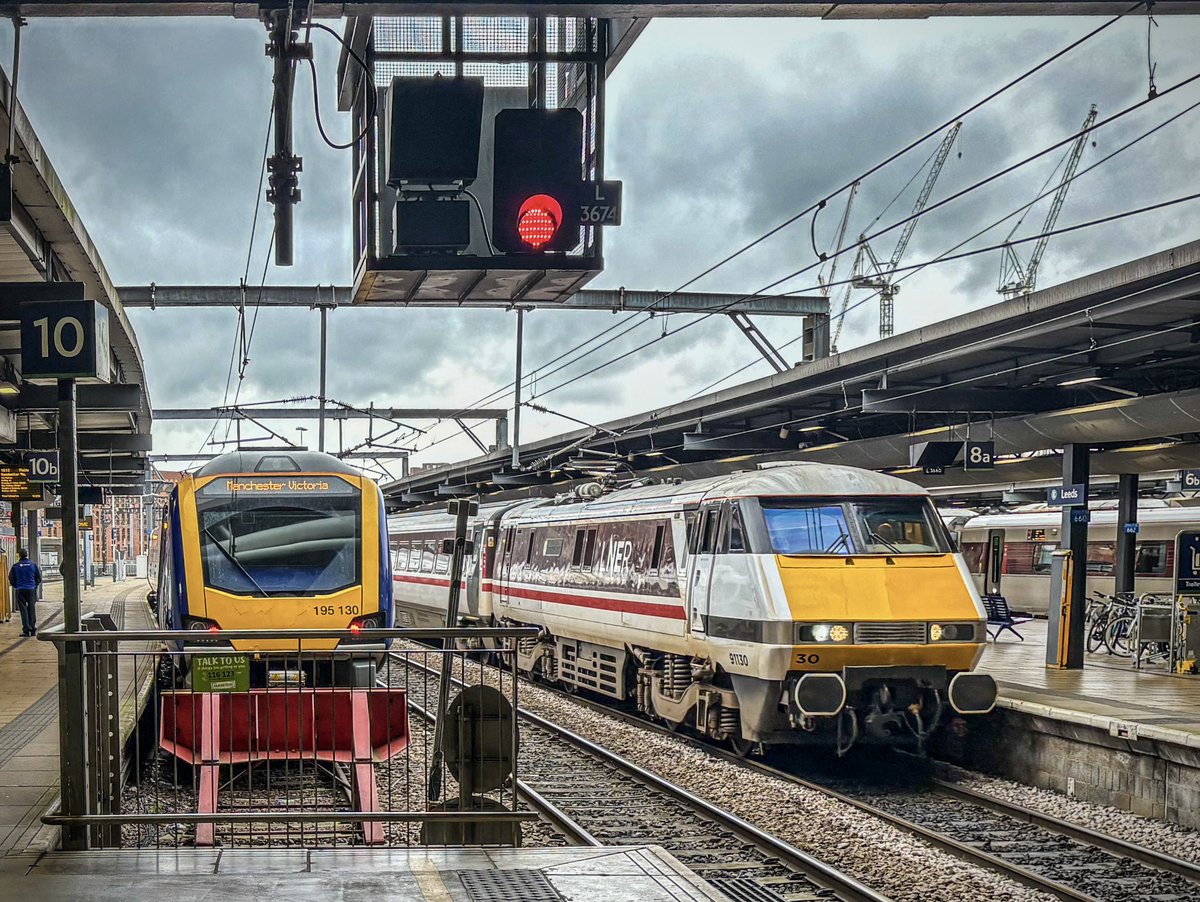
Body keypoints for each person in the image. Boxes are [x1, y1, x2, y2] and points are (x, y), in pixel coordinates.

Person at [10, 548, 42, 637]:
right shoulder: (32, 564)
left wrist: (16, 586)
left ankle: (26, 630)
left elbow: (11, 579)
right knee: (32, 608)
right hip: (31, 590)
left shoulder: (15, 566)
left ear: (19, 555)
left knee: (23, 610)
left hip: (20, 590)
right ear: (26, 555)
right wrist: (34, 585)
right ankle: (33, 629)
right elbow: (38, 578)